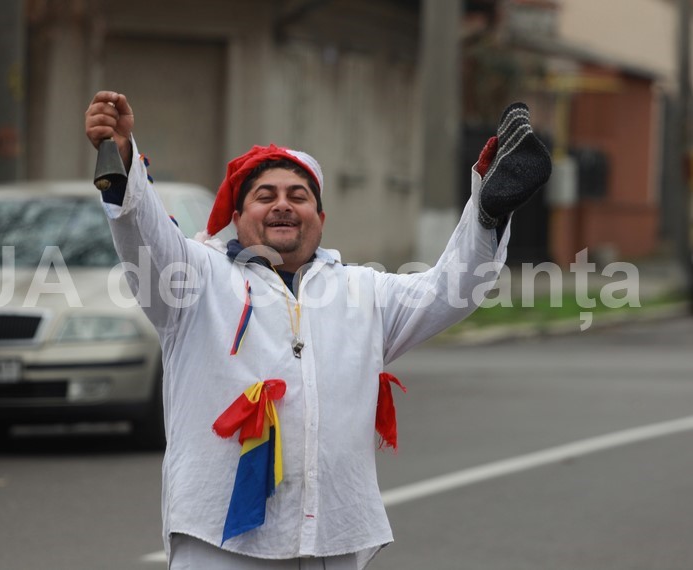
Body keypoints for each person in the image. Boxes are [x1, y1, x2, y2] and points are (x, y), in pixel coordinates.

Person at [85, 91, 551, 569]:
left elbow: (449, 289)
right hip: (219, 542)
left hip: (332, 539)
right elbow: (145, 235)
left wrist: (488, 213)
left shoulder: (362, 290)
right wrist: (122, 160)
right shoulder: (193, 280)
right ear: (237, 218)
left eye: (299, 196)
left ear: (321, 219)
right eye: (265, 196)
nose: (283, 205)